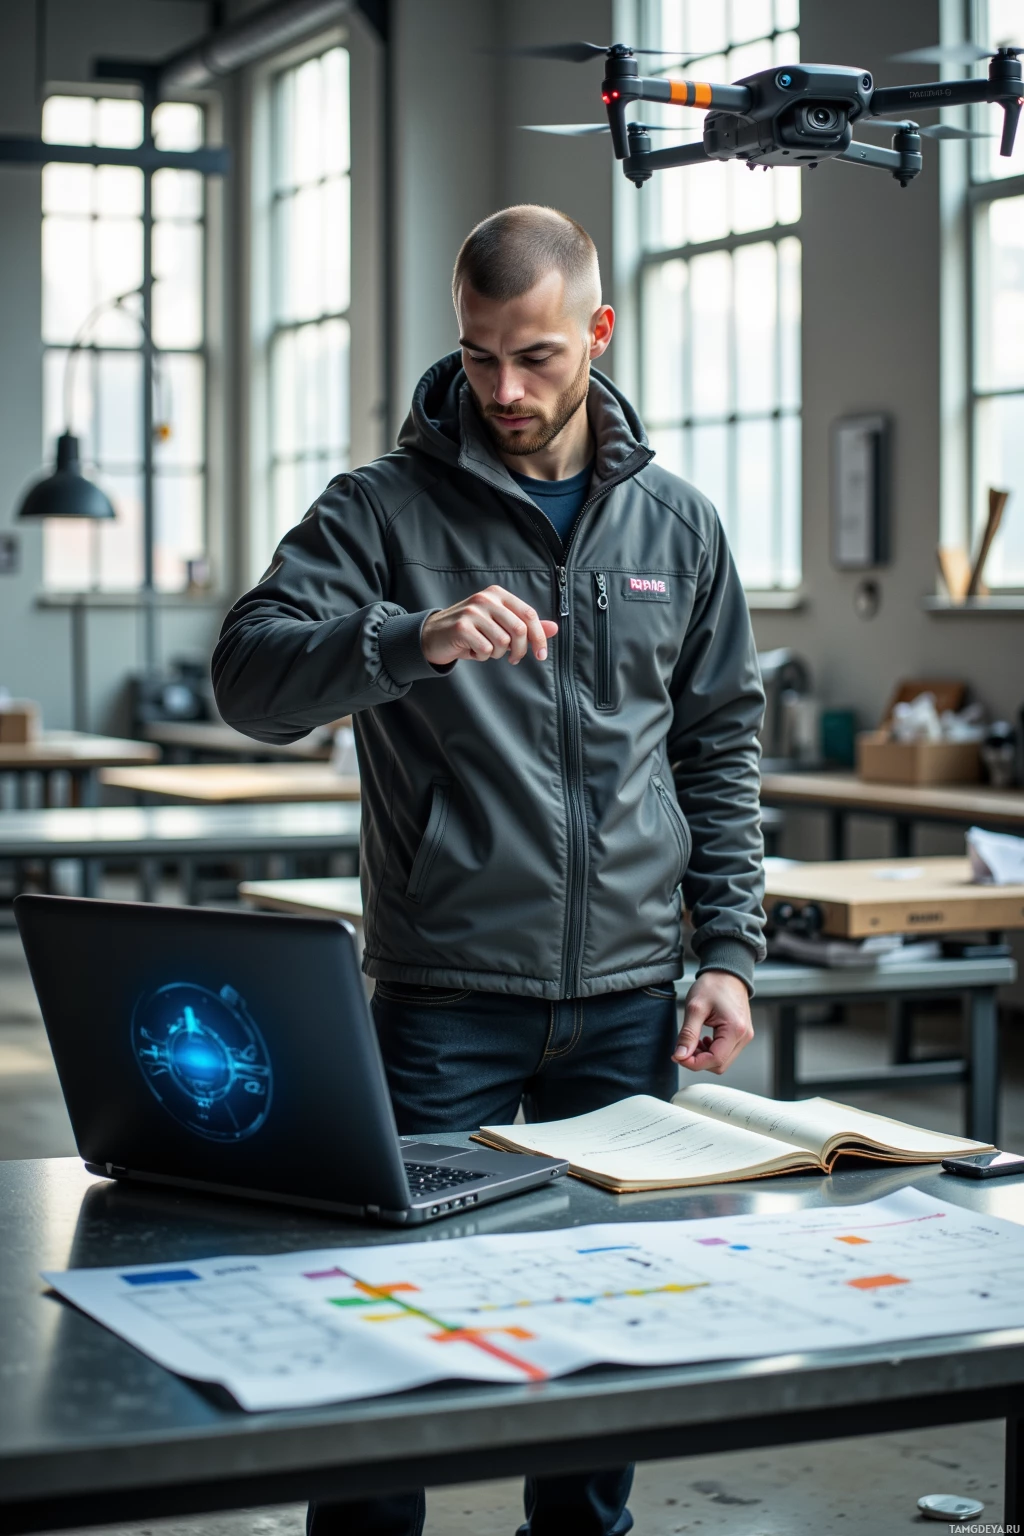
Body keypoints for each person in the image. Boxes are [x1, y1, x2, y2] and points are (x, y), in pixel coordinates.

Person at [212, 204, 766, 1536]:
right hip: (445, 995)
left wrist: (732, 953)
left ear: (599, 333)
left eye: (537, 359)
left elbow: (719, 745)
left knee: (606, 1312)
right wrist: (415, 637)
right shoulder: (380, 514)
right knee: (380, 1321)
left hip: (632, 999)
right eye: (478, 358)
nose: (505, 392)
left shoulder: (676, 528)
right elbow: (249, 676)